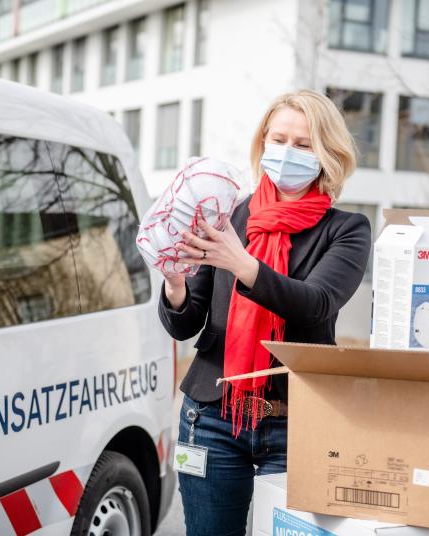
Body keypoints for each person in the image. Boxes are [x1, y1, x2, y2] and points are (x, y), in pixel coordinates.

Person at [158, 89, 371, 536]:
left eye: (303, 144)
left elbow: (316, 305)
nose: (287, 152)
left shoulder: (347, 230)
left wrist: (243, 264)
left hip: (296, 422)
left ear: (328, 154)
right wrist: (175, 284)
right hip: (211, 416)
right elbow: (187, 323)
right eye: (278, 140)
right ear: (262, 143)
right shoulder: (228, 214)